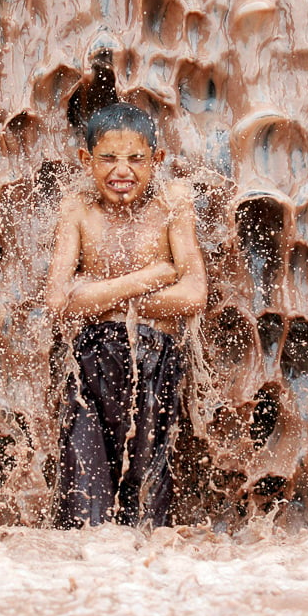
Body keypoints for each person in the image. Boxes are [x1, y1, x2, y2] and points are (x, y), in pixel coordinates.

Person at [46, 103, 208, 527]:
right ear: (86, 161)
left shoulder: (174, 202)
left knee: (147, 506)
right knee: (82, 505)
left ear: (157, 160)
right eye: (108, 158)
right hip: (86, 367)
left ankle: (143, 587)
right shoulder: (76, 208)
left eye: (137, 158)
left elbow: (193, 293)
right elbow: (58, 301)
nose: (123, 171)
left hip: (156, 362)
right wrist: (151, 277)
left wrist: (98, 299)